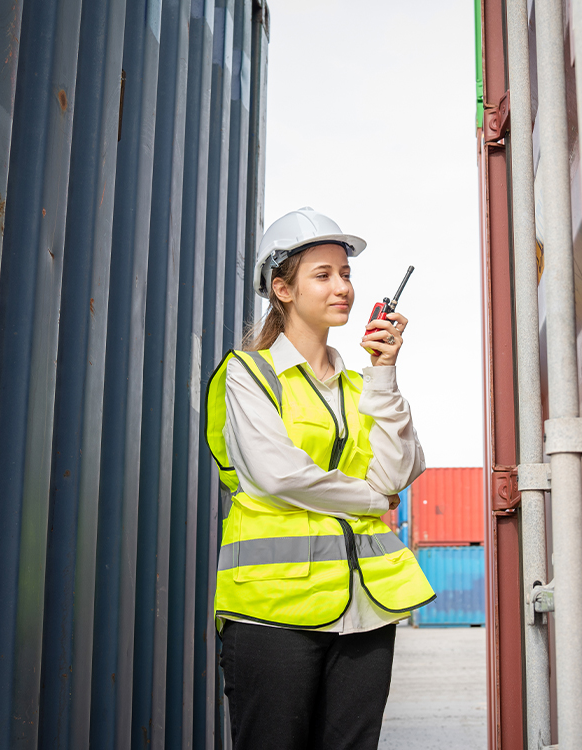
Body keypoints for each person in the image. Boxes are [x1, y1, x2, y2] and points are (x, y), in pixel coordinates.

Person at [204, 207, 435, 750]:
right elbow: (280, 475)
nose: (344, 288)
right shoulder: (248, 372)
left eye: (347, 274)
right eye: (324, 275)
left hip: (366, 608)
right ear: (282, 289)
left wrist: (384, 371)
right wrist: (374, 497)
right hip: (272, 612)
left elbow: (401, 469)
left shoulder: (362, 385)